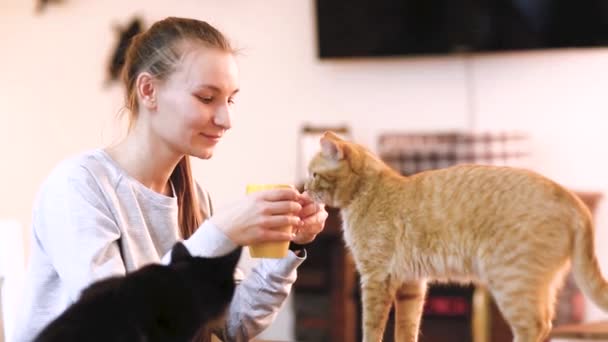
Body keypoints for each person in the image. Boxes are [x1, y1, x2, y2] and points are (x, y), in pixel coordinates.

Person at [13, 16, 328, 342]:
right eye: (207, 98)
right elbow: (113, 325)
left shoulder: (193, 198)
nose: (226, 119)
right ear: (148, 90)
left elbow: (233, 324)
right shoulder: (78, 186)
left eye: (230, 99)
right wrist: (220, 233)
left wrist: (289, 244)